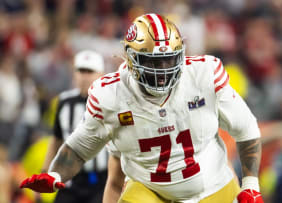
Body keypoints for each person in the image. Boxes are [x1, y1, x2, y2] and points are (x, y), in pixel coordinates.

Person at [20, 13, 264, 203]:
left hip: (210, 185)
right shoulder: (111, 96)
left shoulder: (204, 76)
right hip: (149, 189)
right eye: (153, 62)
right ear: (130, 58)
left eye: (169, 59)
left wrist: (251, 184)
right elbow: (79, 147)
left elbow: (247, 129)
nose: (163, 70)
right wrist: (55, 175)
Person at [42, 50, 109, 203]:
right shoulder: (64, 101)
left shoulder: (109, 103)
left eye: (89, 71)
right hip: (71, 179)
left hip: (102, 180)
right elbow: (56, 140)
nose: (84, 77)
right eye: (81, 71)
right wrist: (45, 172)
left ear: (101, 74)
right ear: (74, 73)